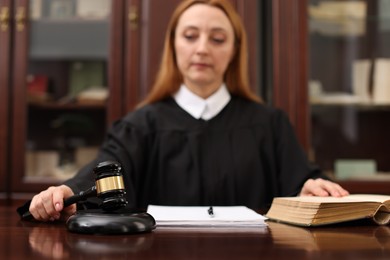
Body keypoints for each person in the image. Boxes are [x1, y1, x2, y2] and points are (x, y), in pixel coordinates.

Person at [27, 0, 349, 222]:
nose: (202, 49)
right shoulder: (140, 125)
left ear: (235, 51)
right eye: (191, 36)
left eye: (218, 38)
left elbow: (300, 180)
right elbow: (106, 171)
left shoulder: (269, 124)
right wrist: (69, 192)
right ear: (173, 46)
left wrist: (310, 188)